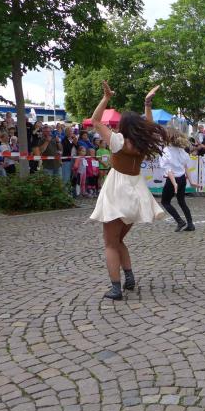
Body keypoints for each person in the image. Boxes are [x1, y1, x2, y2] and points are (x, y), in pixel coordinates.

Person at [89, 82, 166, 301]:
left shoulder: (117, 141)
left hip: (118, 193)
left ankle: (116, 288)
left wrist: (106, 98)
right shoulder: (142, 143)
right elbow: (150, 126)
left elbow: (95, 121)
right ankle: (129, 278)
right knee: (118, 240)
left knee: (110, 243)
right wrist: (147, 104)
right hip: (136, 194)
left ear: (123, 125)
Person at [160, 128, 199, 232]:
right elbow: (186, 167)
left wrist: (174, 183)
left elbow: (168, 170)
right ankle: (190, 224)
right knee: (182, 201)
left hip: (173, 180)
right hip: (182, 179)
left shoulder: (166, 151)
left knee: (165, 202)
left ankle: (180, 221)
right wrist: (191, 181)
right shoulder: (181, 150)